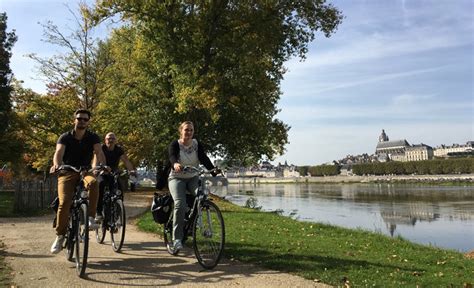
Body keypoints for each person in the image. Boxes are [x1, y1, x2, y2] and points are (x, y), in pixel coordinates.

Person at [49, 109, 108, 254]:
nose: (82, 121)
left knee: (94, 183)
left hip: (85, 171)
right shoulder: (65, 137)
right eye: (79, 118)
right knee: (65, 202)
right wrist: (57, 165)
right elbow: (58, 153)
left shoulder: (93, 137)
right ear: (74, 120)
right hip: (67, 172)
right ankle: (60, 235)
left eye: (85, 119)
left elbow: (99, 152)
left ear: (88, 122)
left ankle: (90, 218)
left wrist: (103, 165)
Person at [168, 121, 218, 252]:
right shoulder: (175, 144)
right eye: (186, 130)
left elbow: (203, 158)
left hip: (192, 178)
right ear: (181, 131)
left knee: (202, 196)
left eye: (191, 130)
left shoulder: (196, 144)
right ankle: (177, 239)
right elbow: (172, 156)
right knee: (180, 204)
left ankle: (192, 225)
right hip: (176, 178)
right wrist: (175, 165)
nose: (189, 132)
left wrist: (213, 171)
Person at [95, 132, 136, 220]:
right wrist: (96, 169)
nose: (111, 140)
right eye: (109, 138)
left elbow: (126, 160)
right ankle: (98, 212)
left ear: (115, 140)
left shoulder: (118, 150)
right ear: (105, 140)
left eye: (113, 138)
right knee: (101, 184)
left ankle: (117, 212)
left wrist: (131, 170)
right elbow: (95, 160)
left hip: (113, 173)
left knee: (119, 189)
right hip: (102, 172)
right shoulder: (101, 148)